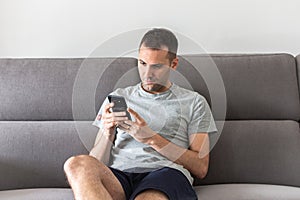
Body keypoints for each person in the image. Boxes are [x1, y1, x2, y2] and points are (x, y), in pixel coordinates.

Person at [64, 28, 217, 200]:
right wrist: (108, 132)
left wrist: (151, 138)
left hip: (165, 174)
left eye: (157, 66)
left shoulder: (194, 102)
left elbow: (201, 167)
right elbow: (97, 160)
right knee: (76, 164)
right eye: (142, 64)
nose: (147, 74)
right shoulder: (119, 97)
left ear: (173, 64)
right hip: (120, 176)